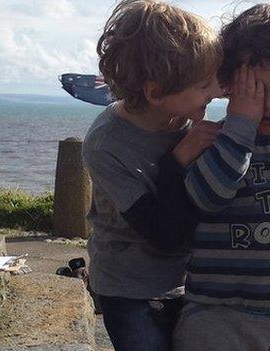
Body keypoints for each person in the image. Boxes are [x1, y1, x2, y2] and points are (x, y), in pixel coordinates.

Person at [172, 4, 270, 350]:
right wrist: (240, 126)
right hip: (215, 314)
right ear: (228, 83)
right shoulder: (214, 139)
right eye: (255, 90)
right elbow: (206, 196)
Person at [82, 1, 222, 350]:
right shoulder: (106, 145)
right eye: (204, 85)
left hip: (189, 281)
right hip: (128, 289)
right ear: (155, 92)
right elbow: (164, 233)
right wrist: (176, 162)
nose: (215, 93)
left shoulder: (186, 117)